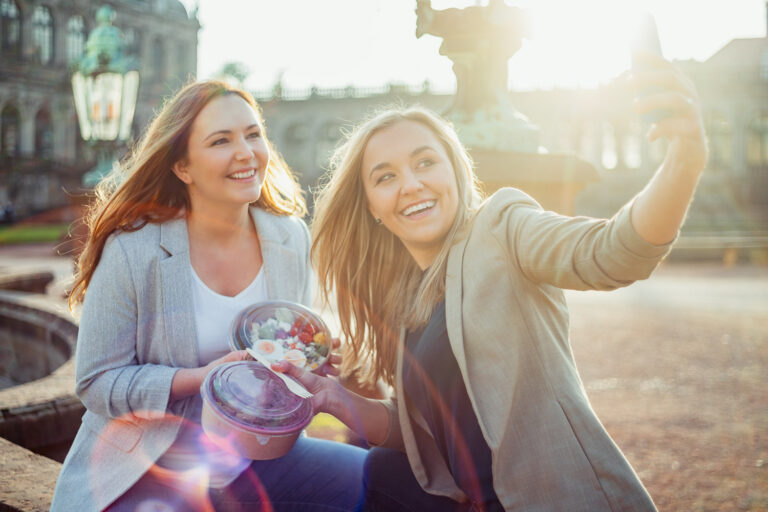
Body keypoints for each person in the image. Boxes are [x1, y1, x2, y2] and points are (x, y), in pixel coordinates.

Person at [275, 52, 708, 511]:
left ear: (456, 172)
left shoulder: (502, 227)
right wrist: (335, 399)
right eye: (386, 177)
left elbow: (614, 252)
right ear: (373, 210)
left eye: (425, 163)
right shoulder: (404, 299)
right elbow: (427, 440)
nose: (411, 184)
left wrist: (684, 161)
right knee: (364, 470)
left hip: (548, 501)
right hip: (471, 501)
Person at [51, 80, 366, 511]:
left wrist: (307, 361)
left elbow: (280, 368)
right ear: (183, 166)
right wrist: (200, 379)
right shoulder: (133, 249)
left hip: (257, 459)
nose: (246, 152)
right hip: (149, 465)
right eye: (221, 140)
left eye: (253, 134)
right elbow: (96, 382)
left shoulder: (289, 237)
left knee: (380, 479)